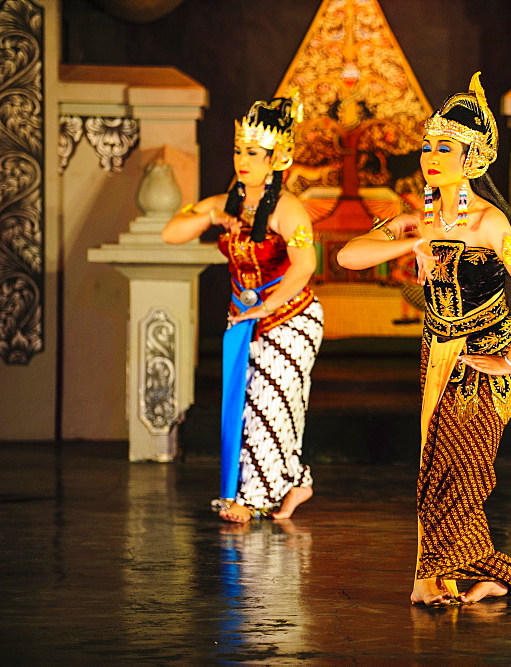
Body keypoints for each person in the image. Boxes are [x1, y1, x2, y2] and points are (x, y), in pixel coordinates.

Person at [337, 73, 511, 605]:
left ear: (473, 158)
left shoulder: (489, 224)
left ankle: (496, 573)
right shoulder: (414, 221)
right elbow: (346, 256)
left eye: (445, 146)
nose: (431, 155)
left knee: (466, 475)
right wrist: (410, 242)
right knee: (434, 471)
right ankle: (443, 578)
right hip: (437, 354)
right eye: (427, 145)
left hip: (483, 362)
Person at [162, 96, 324, 523]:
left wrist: (265, 307)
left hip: (291, 317)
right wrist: (212, 214)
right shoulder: (227, 202)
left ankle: (251, 499)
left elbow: (305, 266)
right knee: (251, 404)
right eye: (238, 150)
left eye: (252, 152)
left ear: (277, 157)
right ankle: (296, 483)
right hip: (247, 316)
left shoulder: (289, 210)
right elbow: (172, 232)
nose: (242, 160)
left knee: (270, 405)